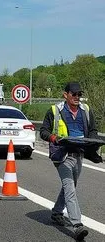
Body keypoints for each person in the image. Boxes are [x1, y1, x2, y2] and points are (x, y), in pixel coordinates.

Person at [40, 82, 99, 241]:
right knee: (70, 187)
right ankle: (77, 225)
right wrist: (54, 138)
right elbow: (43, 131)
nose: (77, 97)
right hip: (62, 155)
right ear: (65, 94)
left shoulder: (86, 110)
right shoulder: (55, 110)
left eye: (79, 94)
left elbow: (93, 129)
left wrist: (92, 142)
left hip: (79, 153)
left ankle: (57, 213)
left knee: (70, 185)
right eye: (74, 94)